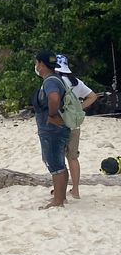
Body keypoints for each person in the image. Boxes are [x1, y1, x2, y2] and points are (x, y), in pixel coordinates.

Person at [55, 54, 98, 198]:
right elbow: (93, 96)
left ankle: (59, 191)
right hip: (73, 124)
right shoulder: (76, 82)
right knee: (73, 157)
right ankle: (76, 190)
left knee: (58, 159)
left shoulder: (54, 82)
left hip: (59, 123)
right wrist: (79, 108)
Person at [33, 51, 71, 209]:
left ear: (41, 64)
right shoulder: (57, 78)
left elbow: (54, 98)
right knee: (59, 163)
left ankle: (58, 200)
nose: (35, 66)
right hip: (57, 128)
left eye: (36, 63)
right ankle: (61, 197)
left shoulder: (50, 81)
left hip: (52, 129)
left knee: (55, 164)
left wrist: (52, 115)